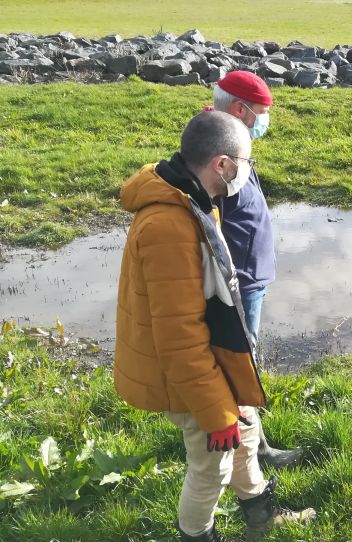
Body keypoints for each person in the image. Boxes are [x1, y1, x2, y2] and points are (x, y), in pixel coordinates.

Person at [113, 111, 315, 542]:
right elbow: (179, 337)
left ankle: (262, 516)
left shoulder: (190, 195)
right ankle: (196, 535)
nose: (248, 171)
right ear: (221, 164)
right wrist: (213, 410)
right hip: (186, 375)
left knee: (243, 432)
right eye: (245, 162)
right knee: (212, 462)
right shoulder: (168, 225)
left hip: (211, 358)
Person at [212, 70, 303, 468]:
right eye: (261, 113)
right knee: (241, 362)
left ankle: (247, 440)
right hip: (240, 282)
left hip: (250, 278)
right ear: (239, 109)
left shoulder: (233, 145)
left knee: (245, 357)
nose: (265, 120)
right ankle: (252, 451)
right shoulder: (219, 155)